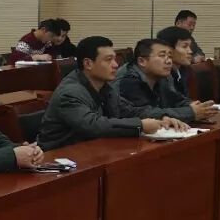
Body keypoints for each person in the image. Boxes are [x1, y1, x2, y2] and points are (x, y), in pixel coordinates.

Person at [37, 36, 189, 150]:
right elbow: (94, 125)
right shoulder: (70, 92)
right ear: (88, 63)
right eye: (108, 60)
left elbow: (129, 110)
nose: (116, 65)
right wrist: (141, 125)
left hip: (92, 150)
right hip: (59, 156)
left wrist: (162, 118)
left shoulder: (105, 86)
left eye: (115, 59)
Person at [116, 38, 217, 123]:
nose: (169, 61)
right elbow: (146, 114)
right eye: (162, 55)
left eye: (170, 56)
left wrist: (196, 107)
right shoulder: (128, 80)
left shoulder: (162, 76)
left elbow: (176, 100)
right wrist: (191, 112)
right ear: (142, 61)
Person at [156, 26, 196, 97]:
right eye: (184, 46)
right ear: (169, 49)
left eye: (190, 46)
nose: (190, 51)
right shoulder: (161, 76)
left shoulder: (183, 71)